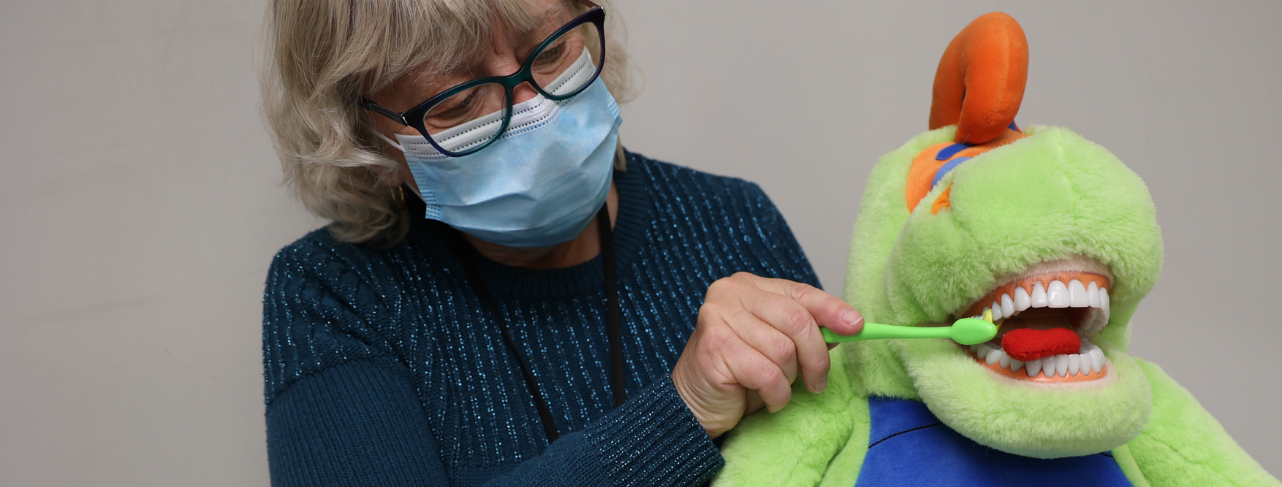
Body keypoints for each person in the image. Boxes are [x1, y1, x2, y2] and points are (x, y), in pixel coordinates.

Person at [258, 1, 863, 485]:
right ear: (363, 135)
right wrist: (681, 415)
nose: (535, 111)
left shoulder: (732, 221)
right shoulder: (333, 296)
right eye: (459, 101)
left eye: (550, 51)